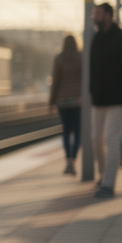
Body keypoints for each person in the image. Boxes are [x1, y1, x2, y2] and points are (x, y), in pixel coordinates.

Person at [88, 3, 122, 198]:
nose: (94, 16)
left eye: (98, 13)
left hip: (119, 100)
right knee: (96, 139)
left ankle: (108, 185)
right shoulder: (96, 39)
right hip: (99, 99)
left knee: (111, 138)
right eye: (94, 13)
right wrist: (92, 91)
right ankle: (103, 175)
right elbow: (92, 68)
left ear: (109, 15)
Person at [49, 34, 83, 175]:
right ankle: (73, 160)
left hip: (62, 100)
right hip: (77, 100)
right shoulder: (80, 58)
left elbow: (55, 81)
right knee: (77, 131)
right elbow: (84, 79)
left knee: (66, 131)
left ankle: (68, 161)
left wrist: (51, 102)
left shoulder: (59, 58)